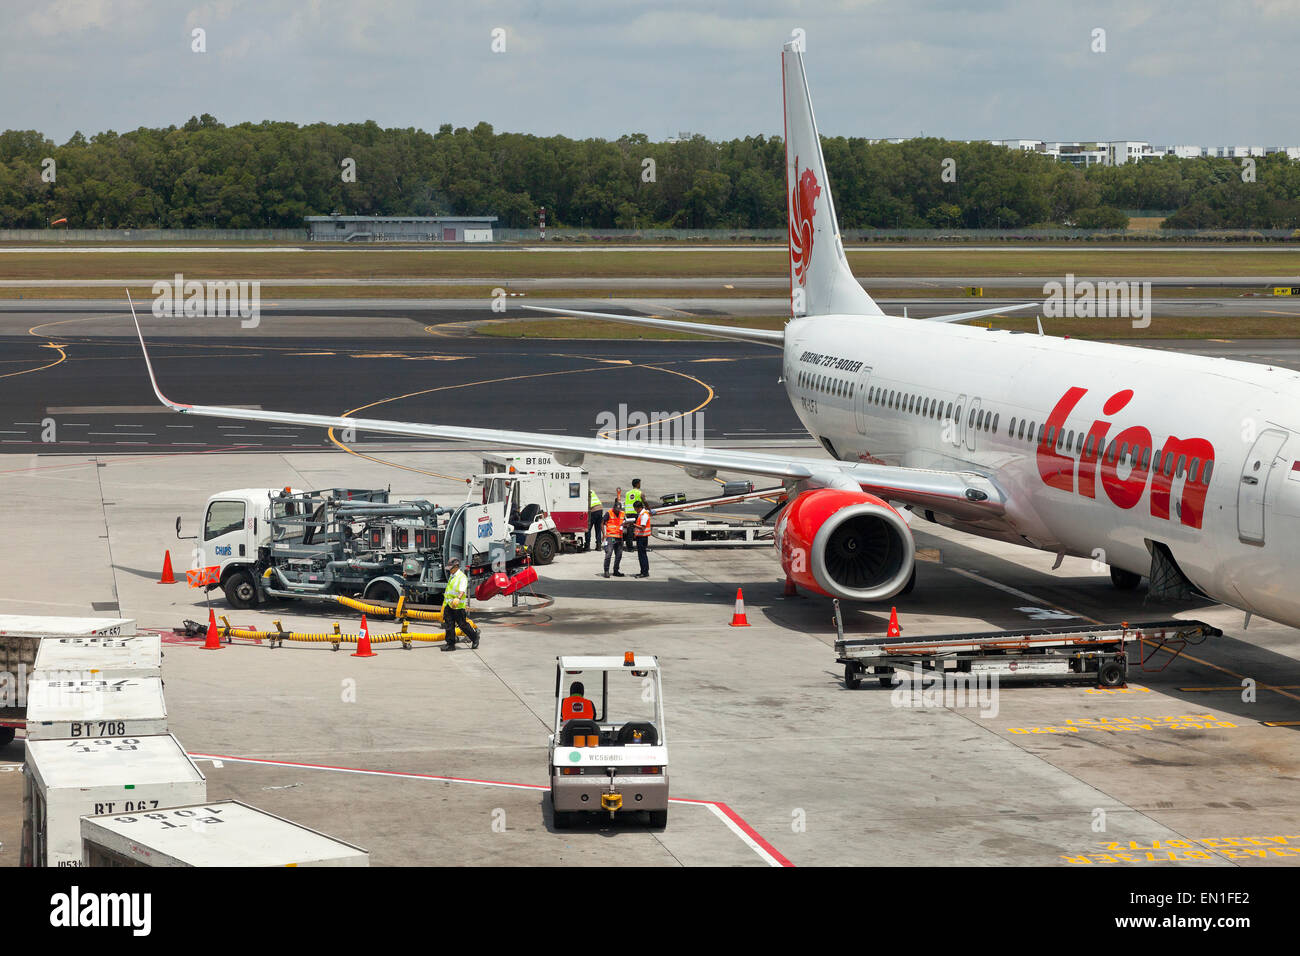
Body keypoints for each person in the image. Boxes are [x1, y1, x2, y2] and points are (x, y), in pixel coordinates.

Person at [441, 558, 480, 651]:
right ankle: (450, 644)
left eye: (451, 568)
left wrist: (458, 598)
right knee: (449, 625)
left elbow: (462, 590)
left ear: (456, 567)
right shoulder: (452, 575)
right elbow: (449, 590)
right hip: (449, 605)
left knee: (462, 625)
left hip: (458, 606)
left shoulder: (462, 577)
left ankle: (475, 638)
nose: (449, 569)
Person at [603, 506, 625, 578]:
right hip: (611, 537)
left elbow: (624, 523)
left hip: (619, 537)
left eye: (619, 509)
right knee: (609, 554)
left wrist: (626, 525)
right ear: (613, 508)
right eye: (616, 510)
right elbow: (602, 523)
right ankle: (606, 571)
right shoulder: (609, 513)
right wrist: (603, 534)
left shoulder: (622, 514)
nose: (618, 511)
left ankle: (616, 570)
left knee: (619, 555)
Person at [632, 499, 652, 578]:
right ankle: (643, 571)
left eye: (635, 508)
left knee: (642, 555)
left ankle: (644, 572)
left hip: (642, 538)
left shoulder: (644, 515)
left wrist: (633, 525)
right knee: (642, 555)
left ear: (639, 508)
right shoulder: (642, 513)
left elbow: (642, 528)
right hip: (641, 537)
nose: (635, 510)